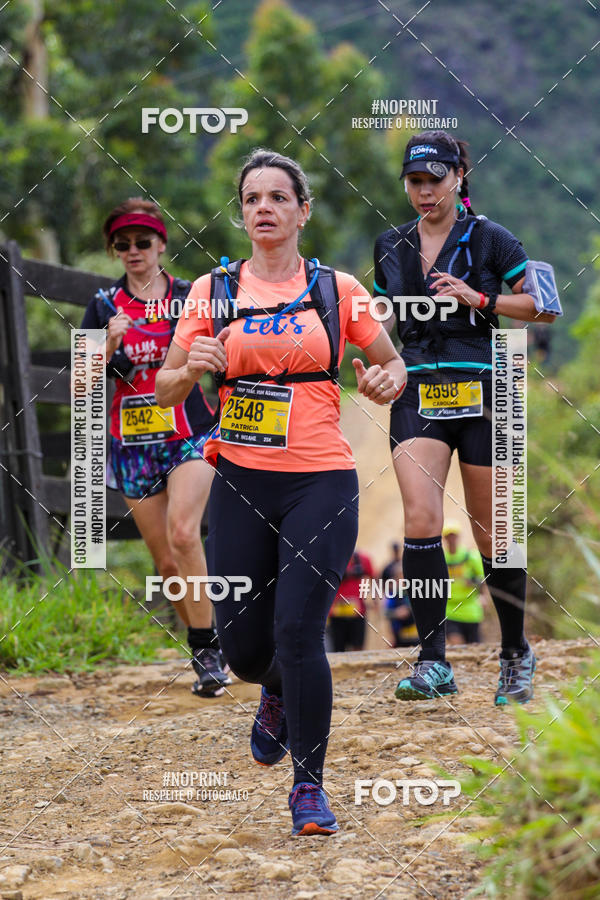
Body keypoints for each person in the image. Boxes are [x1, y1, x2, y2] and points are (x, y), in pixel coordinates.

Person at [156, 149, 406, 836]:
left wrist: (384, 381)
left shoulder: (338, 289)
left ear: (303, 211)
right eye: (251, 199)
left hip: (321, 479)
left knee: (299, 631)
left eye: (277, 197)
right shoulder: (211, 291)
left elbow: (392, 366)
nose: (263, 207)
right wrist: (192, 367)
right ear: (241, 215)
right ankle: (271, 690)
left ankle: (308, 789)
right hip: (240, 481)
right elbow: (166, 388)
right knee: (242, 651)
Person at [373, 130, 558, 705]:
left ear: (459, 178)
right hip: (418, 392)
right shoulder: (390, 245)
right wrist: (373, 360)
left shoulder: (490, 238)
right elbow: (377, 319)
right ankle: (433, 661)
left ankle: (515, 653)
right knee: (420, 519)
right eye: (414, 181)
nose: (424, 191)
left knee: (493, 529)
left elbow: (544, 307)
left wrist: (480, 299)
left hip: (488, 389)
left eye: (435, 179)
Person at [80, 198, 230, 697]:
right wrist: (106, 345)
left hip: (189, 433)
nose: (133, 251)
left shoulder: (189, 297)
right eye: (122, 244)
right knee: (166, 563)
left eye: (142, 242)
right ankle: (204, 643)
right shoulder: (103, 305)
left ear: (161, 245)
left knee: (185, 534)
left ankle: (210, 651)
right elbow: (80, 384)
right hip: (132, 445)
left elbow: (225, 352)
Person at [442, 520, 485, 645]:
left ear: (458, 536)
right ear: (444, 538)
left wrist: (482, 595)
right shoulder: (441, 558)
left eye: (453, 535)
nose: (451, 539)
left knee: (473, 646)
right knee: (457, 644)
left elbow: (483, 578)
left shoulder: (470, 556)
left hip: (470, 608)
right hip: (449, 609)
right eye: (448, 536)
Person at [327, 549, 375, 652]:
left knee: (358, 649)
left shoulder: (363, 559)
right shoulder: (330, 558)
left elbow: (373, 578)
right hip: (336, 613)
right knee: (338, 649)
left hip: (357, 612)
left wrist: (374, 599)